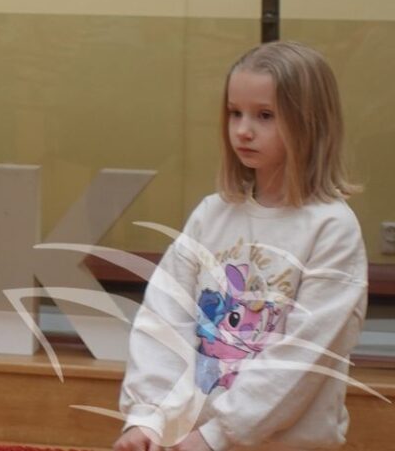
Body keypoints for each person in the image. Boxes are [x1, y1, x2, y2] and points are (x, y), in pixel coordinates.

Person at [115, 41, 368, 451]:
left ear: (310, 122)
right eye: (235, 113)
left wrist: (218, 434)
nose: (243, 130)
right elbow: (164, 318)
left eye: (265, 115)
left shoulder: (331, 228)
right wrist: (149, 418)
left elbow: (304, 357)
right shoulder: (211, 214)